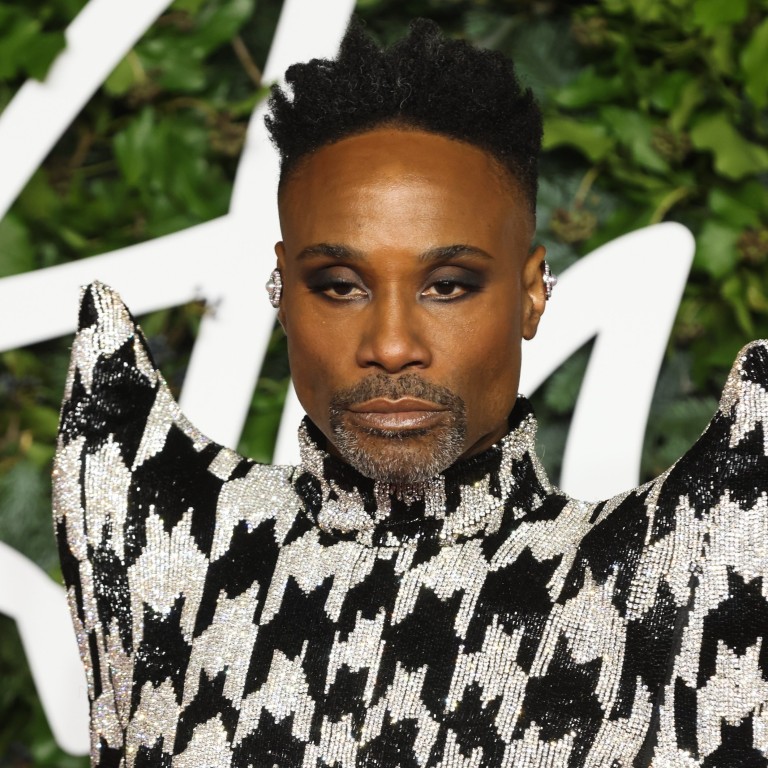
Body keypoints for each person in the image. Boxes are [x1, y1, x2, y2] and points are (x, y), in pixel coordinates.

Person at [52, 19, 768, 768]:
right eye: (339, 285)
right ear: (283, 289)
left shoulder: (678, 575)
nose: (392, 344)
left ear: (530, 294)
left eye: (448, 285)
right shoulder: (167, 543)